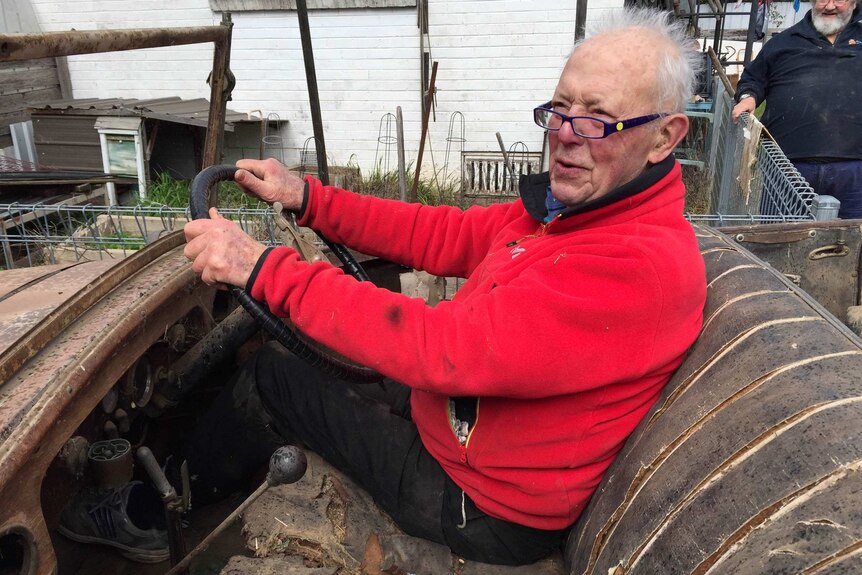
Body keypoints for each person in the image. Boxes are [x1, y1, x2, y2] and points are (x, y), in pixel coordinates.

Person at [182, 7, 707, 566]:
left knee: (271, 378)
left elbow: (443, 349)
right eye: (559, 110)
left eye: (596, 120)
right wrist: (310, 200)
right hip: (456, 424)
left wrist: (263, 269)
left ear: (663, 137)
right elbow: (446, 233)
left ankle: (157, 513)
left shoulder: (635, 263)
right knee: (302, 350)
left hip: (479, 502)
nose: (564, 137)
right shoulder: (579, 210)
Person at [732, 0, 862, 218]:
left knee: (850, 244)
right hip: (787, 166)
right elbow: (752, 79)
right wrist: (748, 97)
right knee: (781, 242)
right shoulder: (783, 43)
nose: (829, 6)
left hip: (855, 170)